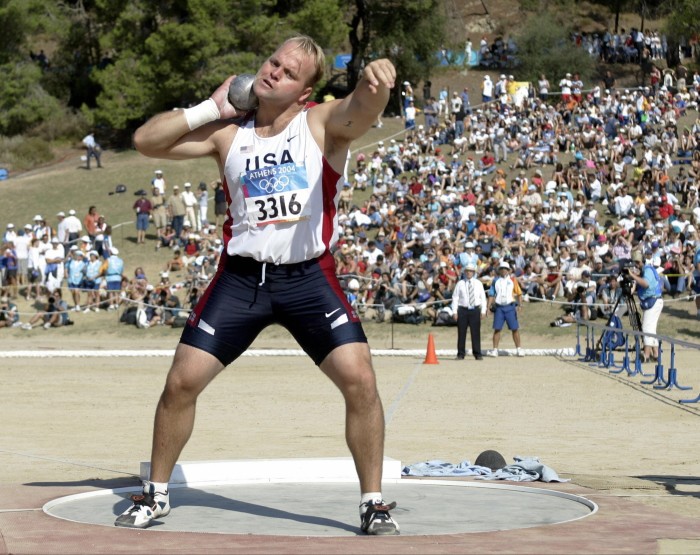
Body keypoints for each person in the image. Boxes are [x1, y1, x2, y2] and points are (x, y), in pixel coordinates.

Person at [114, 35, 399, 536]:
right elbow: (146, 141)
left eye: (289, 73)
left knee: (361, 380)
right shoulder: (228, 133)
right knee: (181, 383)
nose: (274, 73)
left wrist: (375, 82)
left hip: (308, 278)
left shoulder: (319, 124)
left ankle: (372, 503)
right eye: (273, 63)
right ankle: (155, 495)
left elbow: (361, 109)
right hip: (242, 280)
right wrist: (210, 106)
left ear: (304, 92)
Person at [627, 250, 663, 362]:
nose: (635, 266)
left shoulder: (647, 270)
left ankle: (646, 355)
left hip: (653, 300)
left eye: (635, 263)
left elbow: (645, 284)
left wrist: (632, 275)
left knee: (646, 328)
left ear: (639, 262)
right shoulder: (645, 270)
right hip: (654, 301)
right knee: (651, 329)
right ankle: (656, 354)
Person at [486, 261, 524, 357]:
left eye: (505, 269)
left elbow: (519, 293)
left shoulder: (513, 280)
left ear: (508, 270)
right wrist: (488, 307)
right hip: (499, 308)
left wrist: (520, 305)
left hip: (510, 307)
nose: (503, 270)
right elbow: (491, 294)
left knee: (515, 328)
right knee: (497, 329)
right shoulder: (495, 281)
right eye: (501, 269)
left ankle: (519, 349)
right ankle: (495, 350)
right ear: (499, 270)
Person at [451, 263, 486, 360]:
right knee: (461, 333)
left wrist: (483, 310)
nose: (469, 273)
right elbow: (455, 298)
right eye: (467, 271)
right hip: (462, 310)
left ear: (474, 272)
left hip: (475, 309)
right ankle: (460, 354)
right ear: (465, 272)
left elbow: (483, 298)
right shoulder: (460, 283)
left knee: (475, 332)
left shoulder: (478, 283)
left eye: (470, 271)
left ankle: (477, 353)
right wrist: (454, 311)